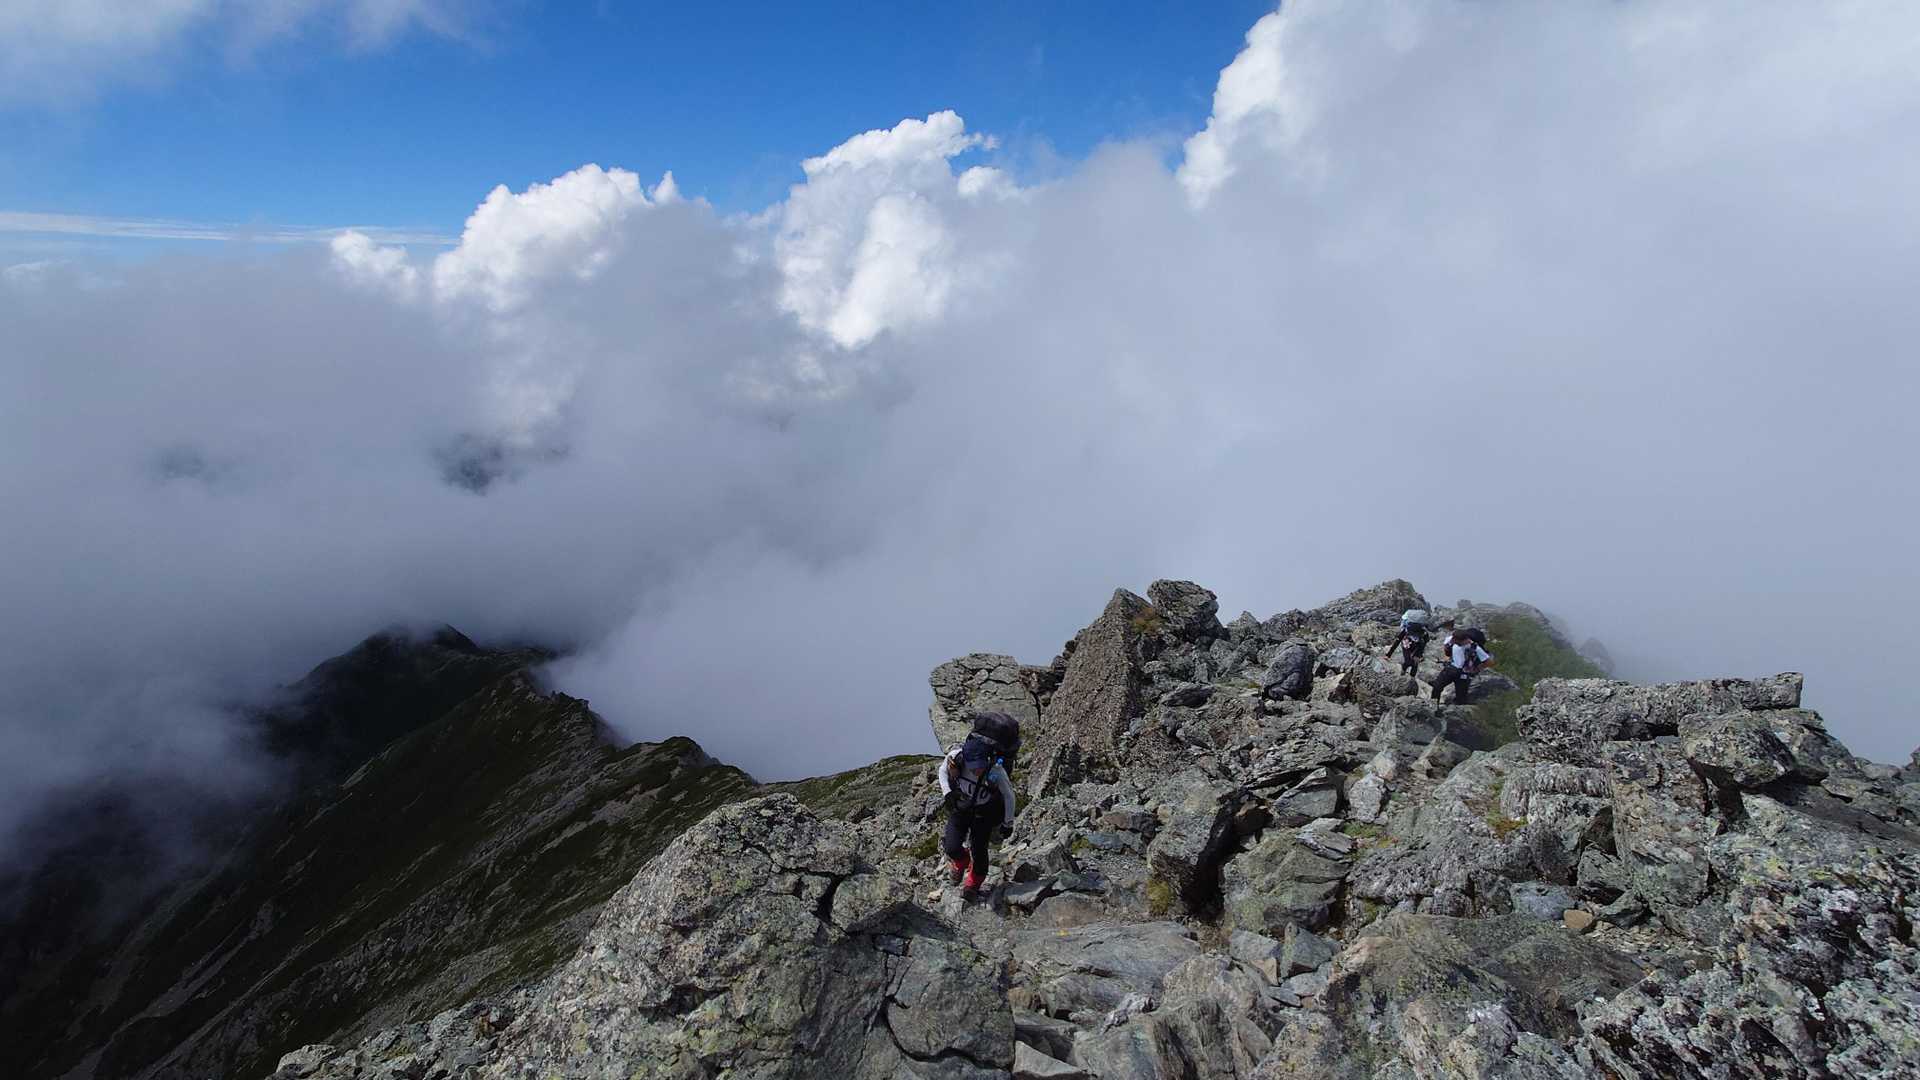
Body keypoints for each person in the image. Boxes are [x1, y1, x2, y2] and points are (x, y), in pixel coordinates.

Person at [938, 711, 1019, 899]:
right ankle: (961, 861)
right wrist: (948, 794)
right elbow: (942, 771)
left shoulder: (996, 771)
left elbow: (1009, 796)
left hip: (984, 814)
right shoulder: (957, 757)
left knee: (979, 850)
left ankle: (973, 884)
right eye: (973, 765)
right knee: (951, 847)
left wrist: (1008, 823)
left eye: (980, 765)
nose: (976, 769)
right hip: (961, 807)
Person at [1432, 627, 1492, 704]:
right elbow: (1446, 645)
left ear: (1465, 640)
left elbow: (1489, 662)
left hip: (1464, 674)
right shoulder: (1452, 639)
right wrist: (1447, 654)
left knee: (1461, 699)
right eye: (1455, 641)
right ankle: (1433, 705)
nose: (1456, 643)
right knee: (1437, 686)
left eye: (1458, 642)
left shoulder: (1475, 648)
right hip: (1450, 669)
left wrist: (1476, 669)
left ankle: (1456, 707)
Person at [1384, 612, 1447, 677]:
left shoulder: (1423, 633)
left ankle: (1411, 678)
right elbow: (1397, 642)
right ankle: (1403, 671)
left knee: (1415, 664)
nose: (1414, 636)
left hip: (1416, 646)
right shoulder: (1407, 630)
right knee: (1408, 661)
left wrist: (1419, 655)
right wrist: (1388, 655)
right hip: (1407, 644)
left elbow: (1423, 645)